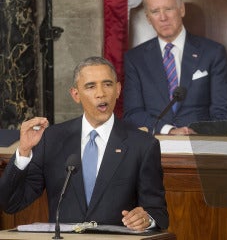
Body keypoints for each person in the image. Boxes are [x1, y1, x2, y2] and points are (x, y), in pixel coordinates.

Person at [0, 56, 169, 231]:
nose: (101, 93)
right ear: (75, 94)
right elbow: (11, 204)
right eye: (90, 86)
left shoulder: (142, 144)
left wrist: (146, 219)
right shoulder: (52, 139)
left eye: (108, 84)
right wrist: (24, 151)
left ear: (118, 90)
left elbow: (158, 213)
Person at [123, 0, 227, 135]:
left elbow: (224, 114)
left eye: (168, 9)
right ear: (148, 18)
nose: (163, 18)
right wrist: (168, 131)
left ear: (181, 9)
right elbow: (132, 114)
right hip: (154, 143)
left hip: (199, 144)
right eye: (155, 11)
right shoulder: (135, 59)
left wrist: (195, 133)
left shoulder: (213, 53)